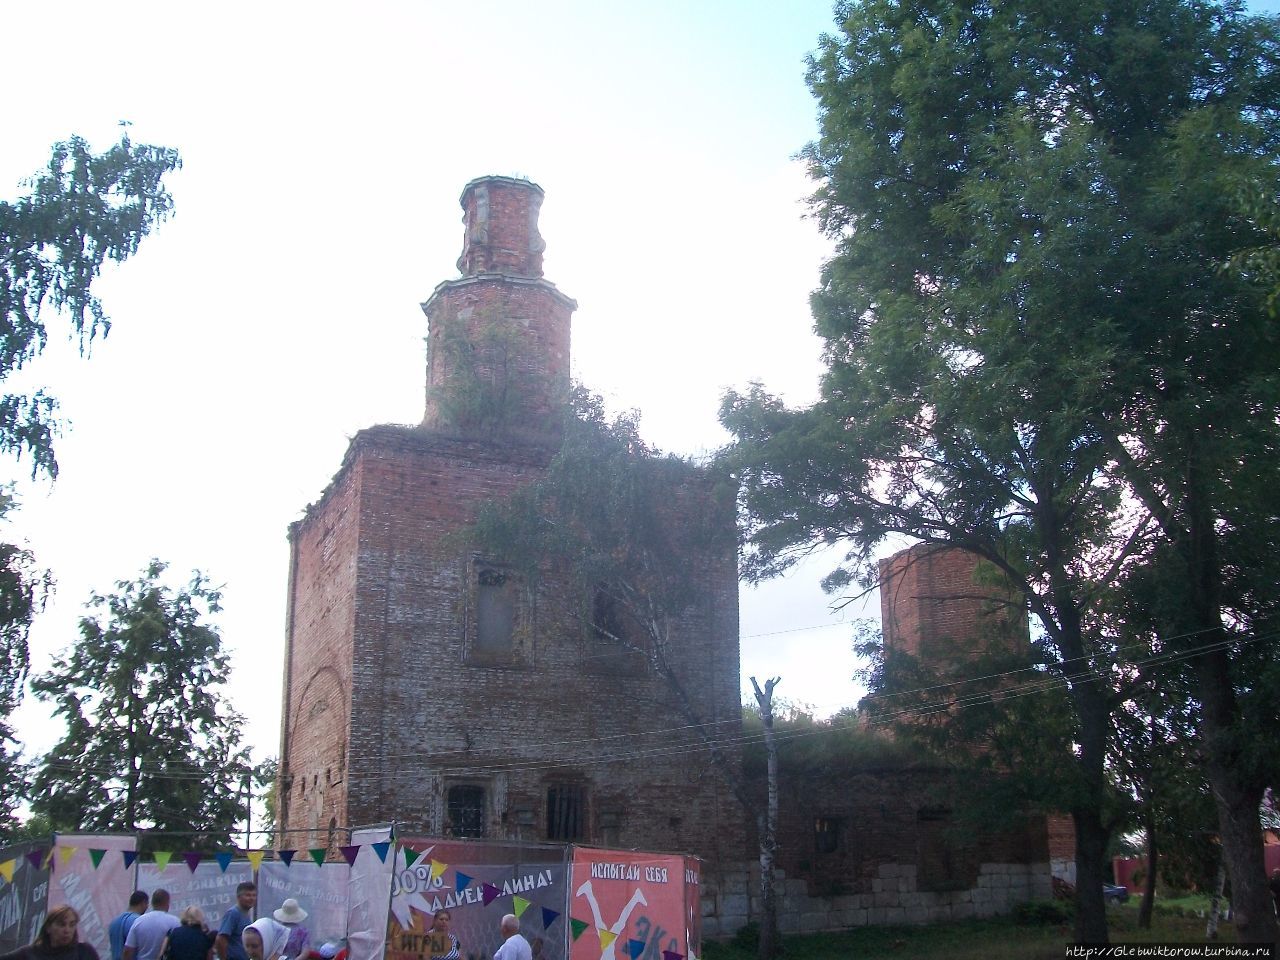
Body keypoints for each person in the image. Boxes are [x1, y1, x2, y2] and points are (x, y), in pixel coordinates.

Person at [0, 905, 100, 960]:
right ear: (48, 928)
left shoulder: (84, 952)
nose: (67, 930)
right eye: (61, 924)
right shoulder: (30, 953)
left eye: (72, 925)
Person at [123, 891, 179, 960]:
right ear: (167, 903)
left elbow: (128, 951)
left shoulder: (139, 921)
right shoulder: (175, 922)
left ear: (152, 903)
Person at [216, 882, 257, 960]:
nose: (251, 898)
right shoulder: (233, 913)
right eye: (248, 895)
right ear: (239, 897)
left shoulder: (246, 914)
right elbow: (220, 939)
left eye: (254, 895)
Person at [108, 893, 148, 960]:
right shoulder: (139, 922)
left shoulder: (114, 922)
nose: (147, 907)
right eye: (147, 904)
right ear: (143, 903)